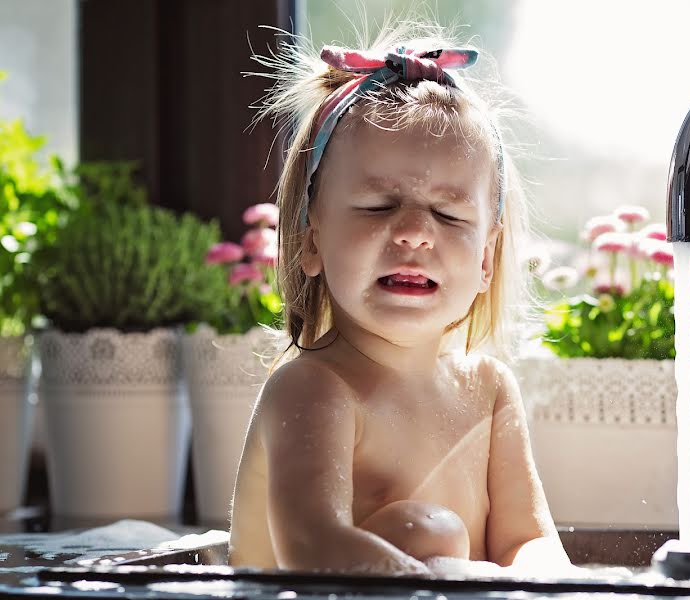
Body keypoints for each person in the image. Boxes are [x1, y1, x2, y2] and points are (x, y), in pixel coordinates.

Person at [228, 21, 571, 576]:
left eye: (449, 213)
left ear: (486, 260)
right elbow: (313, 548)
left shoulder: (487, 390)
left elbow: (529, 544)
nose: (415, 231)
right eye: (378, 206)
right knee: (426, 530)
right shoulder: (313, 389)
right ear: (312, 240)